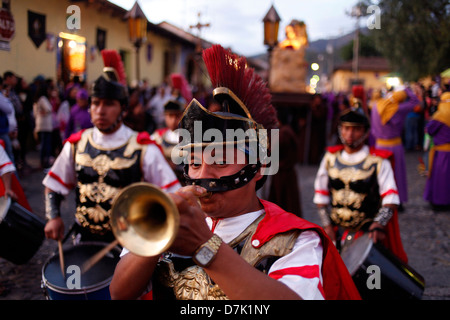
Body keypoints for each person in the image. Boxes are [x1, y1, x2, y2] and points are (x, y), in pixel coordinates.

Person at [110, 45, 360, 300]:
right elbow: (119, 292)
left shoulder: (296, 241)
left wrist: (205, 246)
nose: (203, 177)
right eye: (195, 164)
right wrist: (155, 235)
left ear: (259, 168)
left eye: (220, 162)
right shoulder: (173, 223)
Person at [42, 50, 181, 244]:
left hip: (128, 247)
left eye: (109, 104)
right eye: (95, 103)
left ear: (123, 109)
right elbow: (53, 185)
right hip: (83, 241)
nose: (100, 110)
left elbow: (173, 196)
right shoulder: (77, 144)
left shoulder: (143, 148)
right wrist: (54, 217)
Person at [313, 107, 408, 263]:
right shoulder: (330, 157)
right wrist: (327, 226)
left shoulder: (378, 161)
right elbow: (321, 195)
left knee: (369, 284)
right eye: (346, 128)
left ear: (365, 132)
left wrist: (379, 224)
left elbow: (390, 199)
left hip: (367, 233)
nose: (350, 134)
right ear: (340, 130)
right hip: (336, 231)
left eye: (356, 129)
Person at [370, 86, 420, 208]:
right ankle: (396, 200)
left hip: (379, 145)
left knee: (380, 174)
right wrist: (408, 90)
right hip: (394, 145)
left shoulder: (377, 105)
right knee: (396, 173)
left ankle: (380, 198)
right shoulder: (398, 108)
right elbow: (416, 102)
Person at [423, 91, 450, 210]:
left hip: (442, 153)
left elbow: (429, 130)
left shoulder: (440, 116)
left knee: (441, 178)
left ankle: (440, 201)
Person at [151, 98, 185, 182]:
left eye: (177, 116)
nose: (173, 120)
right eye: (170, 116)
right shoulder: (157, 137)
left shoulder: (191, 138)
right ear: (165, 116)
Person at [32, 81, 53, 169]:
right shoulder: (43, 99)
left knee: (42, 144)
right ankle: (46, 163)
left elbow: (34, 113)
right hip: (45, 124)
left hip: (39, 123)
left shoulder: (36, 100)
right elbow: (49, 108)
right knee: (46, 144)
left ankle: (42, 162)